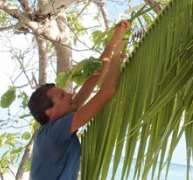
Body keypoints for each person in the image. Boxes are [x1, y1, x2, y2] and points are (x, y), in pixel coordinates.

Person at [27, 20, 131, 180]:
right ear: (50, 112)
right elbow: (107, 92)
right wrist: (117, 55)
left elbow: (93, 80)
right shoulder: (54, 132)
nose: (69, 95)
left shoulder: (52, 129)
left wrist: (114, 41)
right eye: (62, 96)